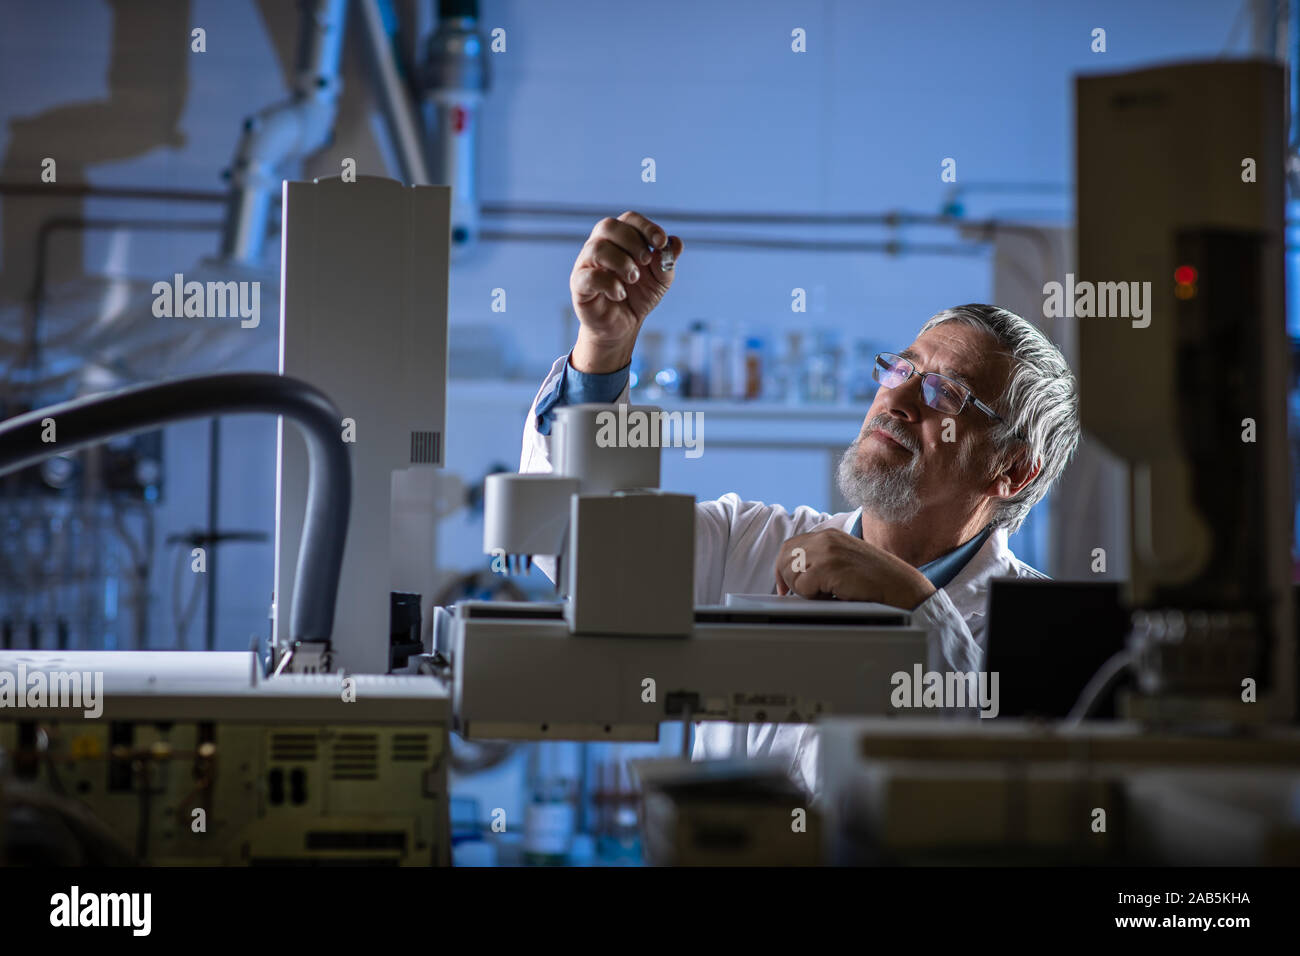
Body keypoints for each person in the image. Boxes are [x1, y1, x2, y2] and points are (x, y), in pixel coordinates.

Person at [518, 211, 1081, 795]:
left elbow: (1012, 792)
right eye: (902, 368)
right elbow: (580, 550)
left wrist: (916, 606)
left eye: (947, 392)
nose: (900, 398)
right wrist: (604, 348)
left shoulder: (1051, 633)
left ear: (1011, 469)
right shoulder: (750, 543)